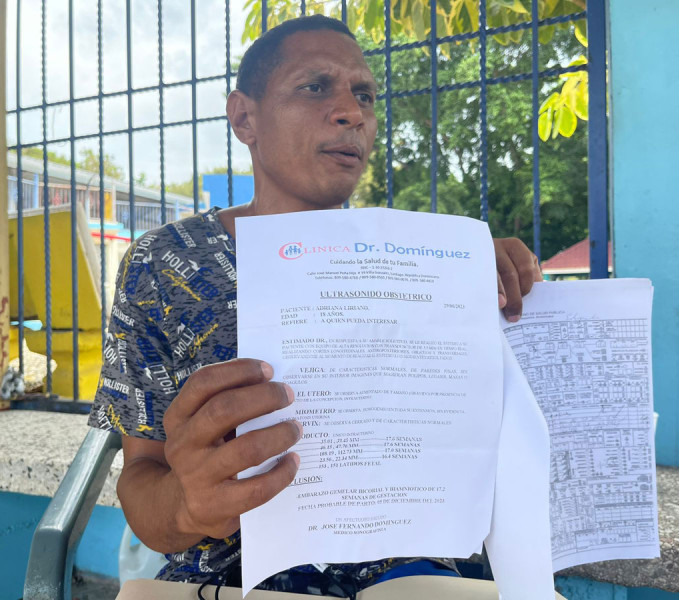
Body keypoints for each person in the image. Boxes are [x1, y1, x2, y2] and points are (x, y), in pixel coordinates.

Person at [89, 15, 543, 597]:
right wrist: (186, 505)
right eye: (314, 86)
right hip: (236, 580)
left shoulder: (428, 262)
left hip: (415, 578)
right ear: (244, 118)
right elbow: (143, 484)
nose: (352, 112)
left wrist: (499, 292)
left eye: (364, 95)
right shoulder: (165, 263)